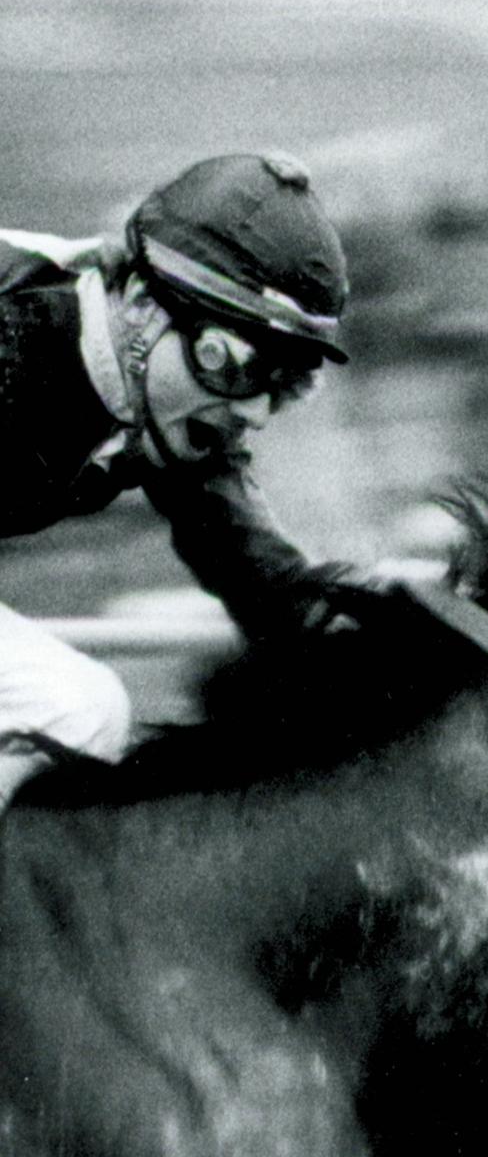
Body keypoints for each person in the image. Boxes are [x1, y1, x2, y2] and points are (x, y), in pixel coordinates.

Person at [0, 152, 351, 803]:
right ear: (140, 303)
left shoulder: (170, 403)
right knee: (74, 707)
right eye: (236, 365)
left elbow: (265, 579)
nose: (254, 411)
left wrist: (381, 620)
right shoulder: (15, 334)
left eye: (282, 384)